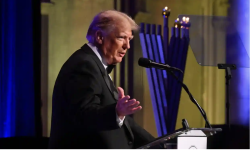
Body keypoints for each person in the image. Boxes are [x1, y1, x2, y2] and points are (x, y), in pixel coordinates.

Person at [49, 10, 158, 149]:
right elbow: (84, 115)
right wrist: (116, 112)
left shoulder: (95, 64)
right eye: (121, 38)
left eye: (129, 39)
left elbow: (127, 123)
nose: (127, 46)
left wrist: (161, 145)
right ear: (100, 37)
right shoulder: (84, 65)